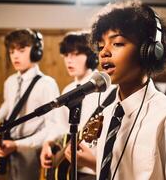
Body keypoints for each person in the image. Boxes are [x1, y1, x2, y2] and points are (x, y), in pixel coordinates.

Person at [90, 0, 166, 180]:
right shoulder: (108, 113)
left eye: (117, 43)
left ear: (148, 51)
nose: (104, 53)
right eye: (101, 46)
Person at [40, 32, 116, 180]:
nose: (69, 61)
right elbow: (59, 125)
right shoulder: (68, 89)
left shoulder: (110, 91)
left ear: (92, 56)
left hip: (94, 172)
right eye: (66, 55)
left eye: (75, 55)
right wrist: (47, 144)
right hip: (67, 169)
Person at [0, 28, 60, 180]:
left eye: (21, 50)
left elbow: (53, 125)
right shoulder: (10, 82)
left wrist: (19, 145)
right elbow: (8, 106)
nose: (15, 56)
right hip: (8, 148)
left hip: (33, 150)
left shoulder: (47, 84)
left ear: (35, 52)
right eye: (12, 51)